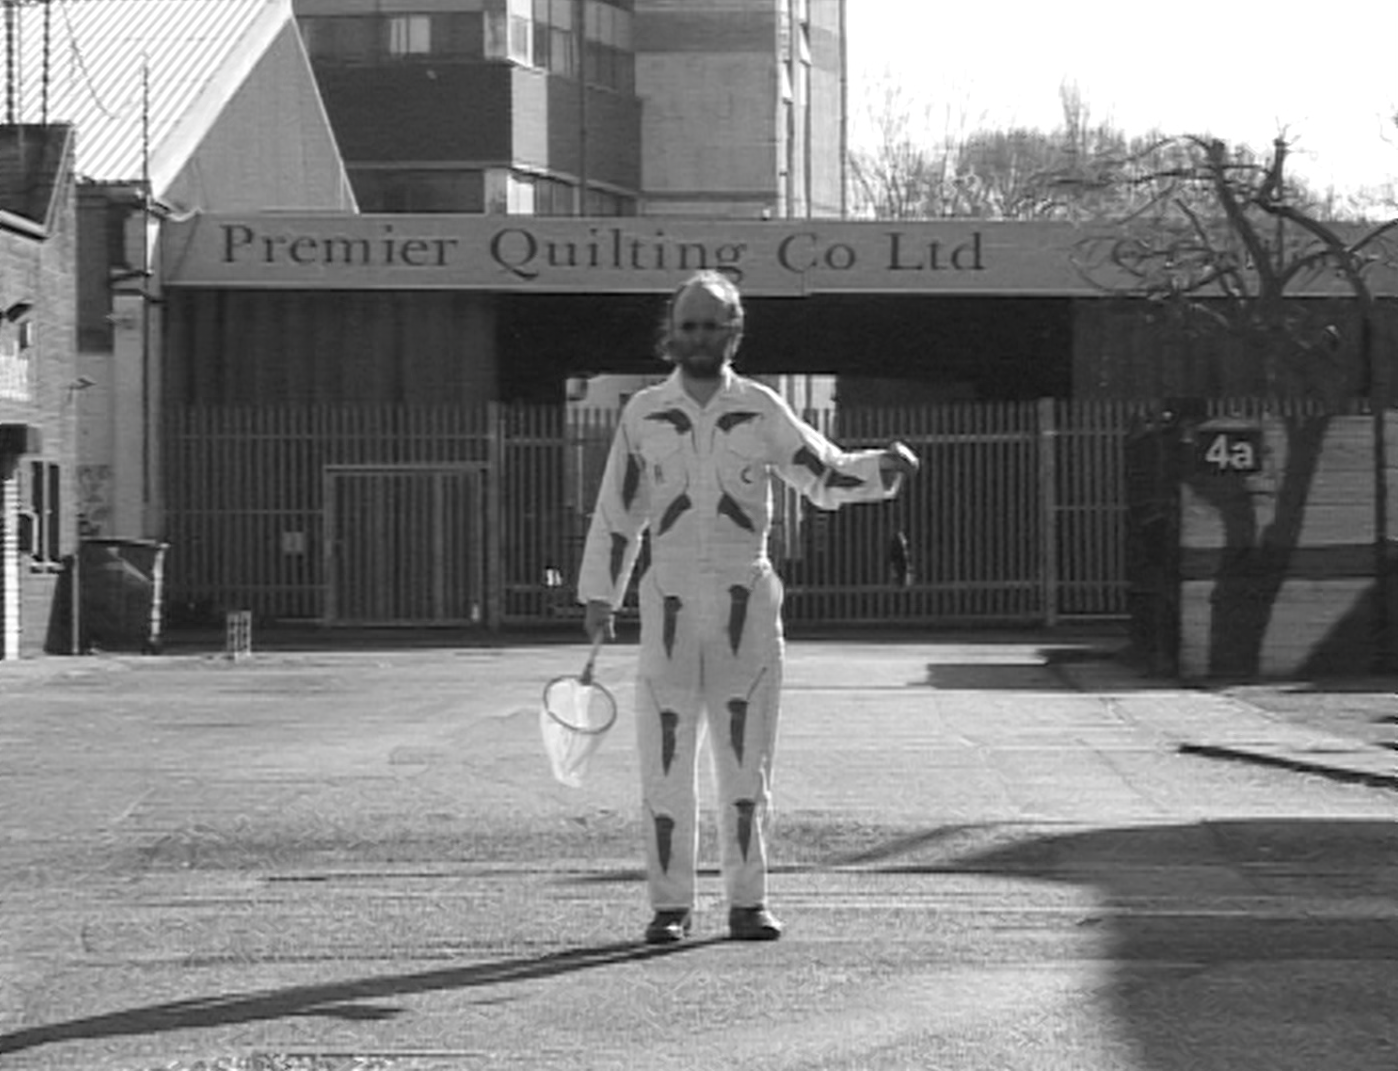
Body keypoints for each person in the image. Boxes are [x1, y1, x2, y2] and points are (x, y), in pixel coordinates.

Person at [577, 270, 919, 944]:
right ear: (671, 332)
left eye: (712, 326)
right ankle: (669, 906)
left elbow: (820, 472)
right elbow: (619, 513)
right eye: (689, 325)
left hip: (746, 609)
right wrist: (599, 596)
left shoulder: (761, 409)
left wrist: (881, 469)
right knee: (665, 766)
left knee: (746, 765)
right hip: (670, 609)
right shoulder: (643, 413)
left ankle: (748, 900)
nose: (700, 337)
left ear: (733, 332)